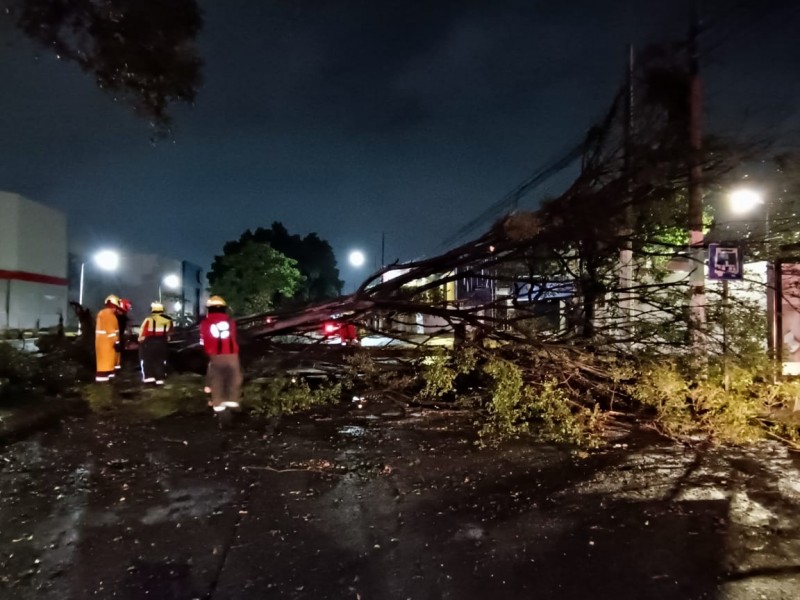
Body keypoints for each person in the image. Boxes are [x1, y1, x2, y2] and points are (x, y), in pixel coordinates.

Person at [199, 295, 242, 413]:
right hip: (232, 354)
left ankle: (218, 402)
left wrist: (207, 351)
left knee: (217, 377)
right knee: (234, 375)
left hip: (215, 355)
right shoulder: (230, 322)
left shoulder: (205, 323)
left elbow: (204, 340)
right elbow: (233, 336)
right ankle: (232, 399)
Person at [137, 301, 174, 385]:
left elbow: (143, 332)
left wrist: (140, 341)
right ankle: (160, 379)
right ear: (162, 310)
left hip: (149, 343)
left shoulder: (149, 319)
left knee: (148, 360)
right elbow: (170, 332)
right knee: (160, 361)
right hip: (162, 343)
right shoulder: (168, 320)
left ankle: (149, 379)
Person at [95, 294, 123, 382]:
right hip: (107, 345)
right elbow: (111, 330)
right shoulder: (108, 314)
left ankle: (106, 385)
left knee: (108, 366)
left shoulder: (104, 313)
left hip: (105, 344)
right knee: (105, 368)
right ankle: (103, 387)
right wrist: (117, 342)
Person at [115, 298, 133, 372]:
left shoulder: (122, 317)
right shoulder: (118, 317)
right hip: (115, 338)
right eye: (128, 306)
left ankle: (116, 368)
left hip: (118, 338)